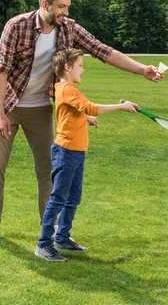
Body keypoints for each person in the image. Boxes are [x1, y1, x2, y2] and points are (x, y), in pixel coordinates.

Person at [0, 0, 164, 245]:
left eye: (67, 7)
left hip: (41, 107)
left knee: (48, 169)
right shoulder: (16, 26)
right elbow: (1, 71)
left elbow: (104, 51)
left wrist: (141, 69)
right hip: (6, 104)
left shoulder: (68, 28)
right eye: (61, 7)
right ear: (45, 4)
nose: (65, 13)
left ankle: (49, 229)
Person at [35, 48, 137, 262]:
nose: (83, 69)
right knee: (58, 199)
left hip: (77, 152)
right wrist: (121, 107)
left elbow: (75, 110)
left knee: (73, 198)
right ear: (68, 67)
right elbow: (90, 107)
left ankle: (62, 238)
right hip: (66, 152)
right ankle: (44, 244)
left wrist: (85, 118)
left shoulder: (67, 90)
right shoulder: (67, 88)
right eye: (80, 66)